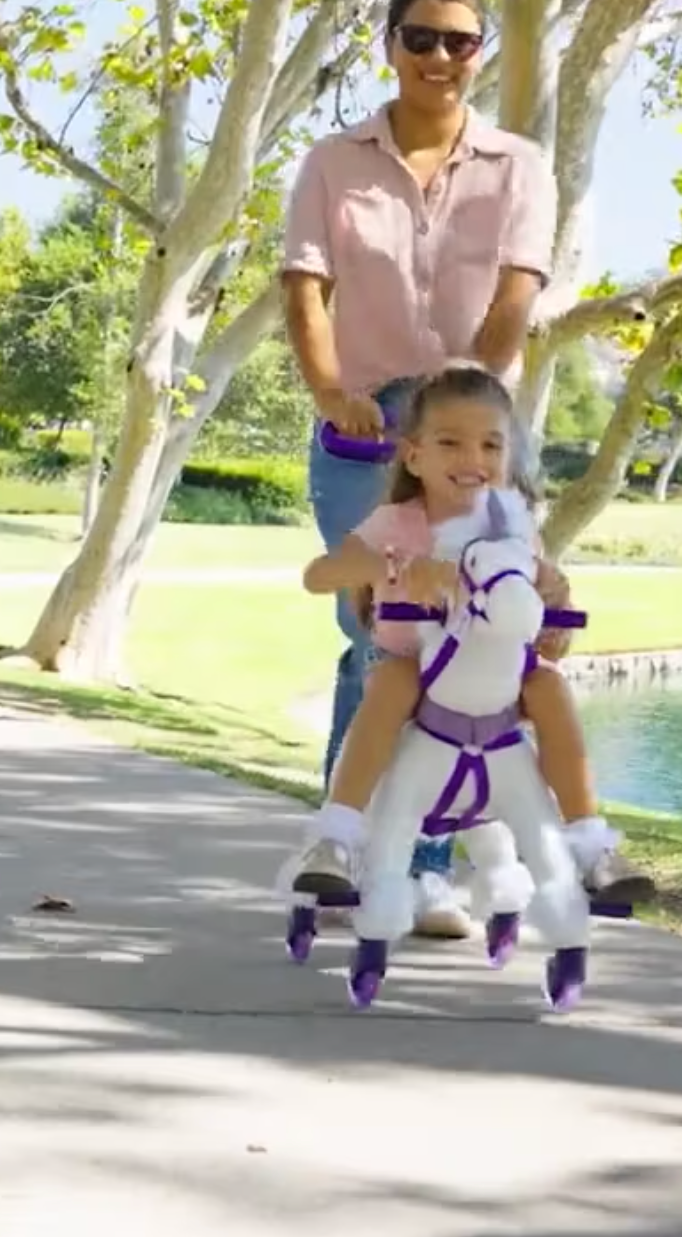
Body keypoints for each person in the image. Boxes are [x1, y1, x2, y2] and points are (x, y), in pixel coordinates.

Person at [278, 0, 555, 940]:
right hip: (362, 429)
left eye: (459, 40)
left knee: (462, 639)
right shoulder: (332, 163)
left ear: (479, 52)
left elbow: (516, 295)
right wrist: (330, 393)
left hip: (471, 428)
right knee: (378, 637)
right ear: (389, 43)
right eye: (420, 37)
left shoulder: (518, 166)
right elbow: (303, 287)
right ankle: (345, 855)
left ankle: (428, 869)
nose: (439, 56)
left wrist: (461, 404)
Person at [274, 363, 651, 906]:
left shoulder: (515, 528)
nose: (473, 460)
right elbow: (319, 576)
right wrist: (396, 567)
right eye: (450, 443)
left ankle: (591, 844)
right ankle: (337, 837)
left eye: (490, 446)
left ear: (508, 456)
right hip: (414, 664)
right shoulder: (398, 522)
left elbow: (537, 625)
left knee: (548, 684)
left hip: (495, 670)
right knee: (393, 682)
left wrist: (556, 613)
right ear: (414, 456)